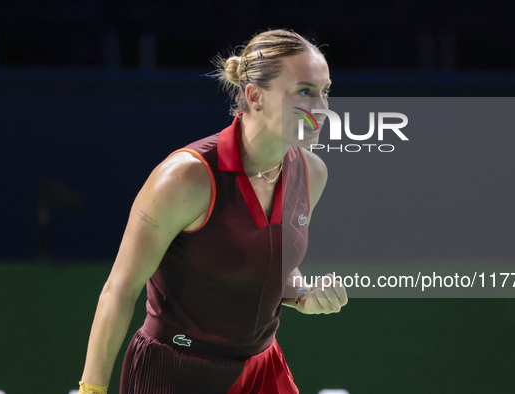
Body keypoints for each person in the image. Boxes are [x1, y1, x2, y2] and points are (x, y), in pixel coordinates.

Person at [78, 28, 348, 394]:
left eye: (324, 92)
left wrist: (304, 293)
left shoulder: (313, 173)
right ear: (255, 96)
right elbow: (120, 290)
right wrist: (91, 390)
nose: (321, 109)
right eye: (304, 92)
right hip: (174, 372)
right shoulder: (186, 177)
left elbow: (270, 264)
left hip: (262, 368)